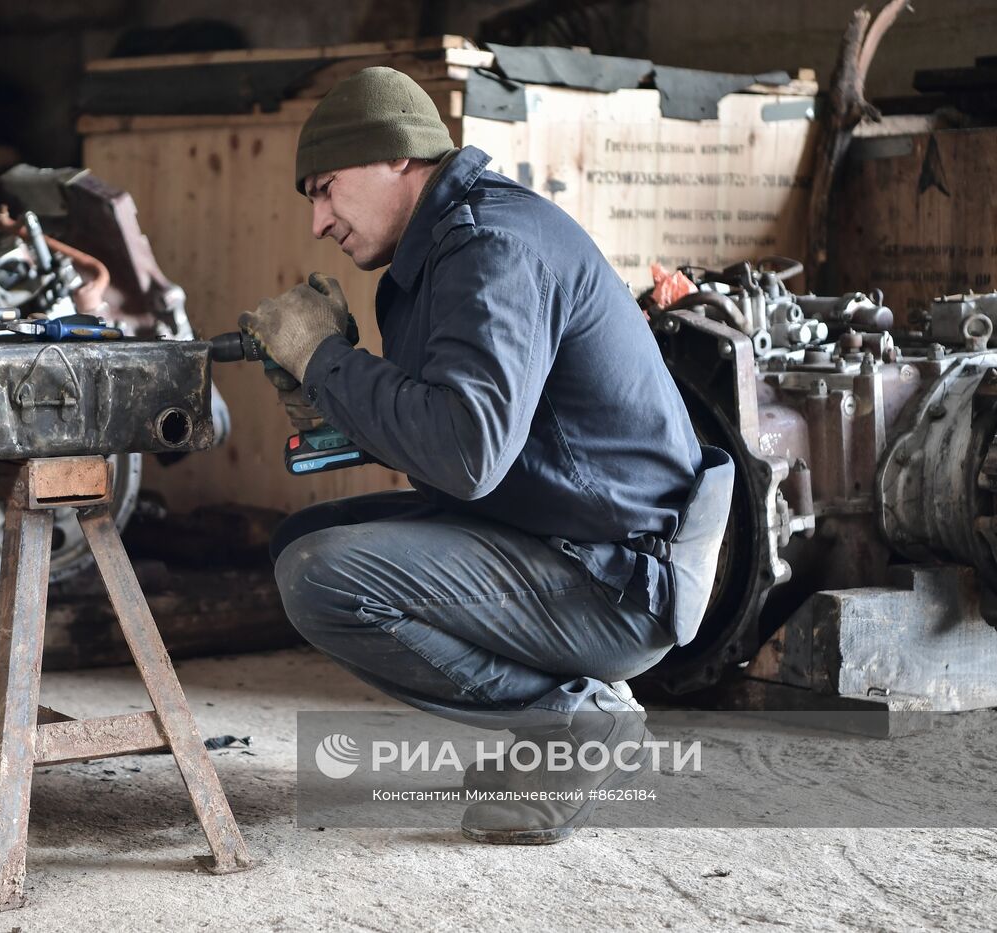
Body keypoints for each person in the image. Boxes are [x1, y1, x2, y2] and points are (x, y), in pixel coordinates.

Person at [237, 66, 733, 844]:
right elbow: (443, 434)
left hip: (619, 577)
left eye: (327, 188)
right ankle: (561, 727)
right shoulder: (437, 253)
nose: (318, 222)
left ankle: (575, 722)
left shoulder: (490, 247)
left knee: (324, 576)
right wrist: (320, 391)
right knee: (296, 544)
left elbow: (465, 454)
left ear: (397, 157)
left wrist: (325, 360)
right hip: (562, 535)